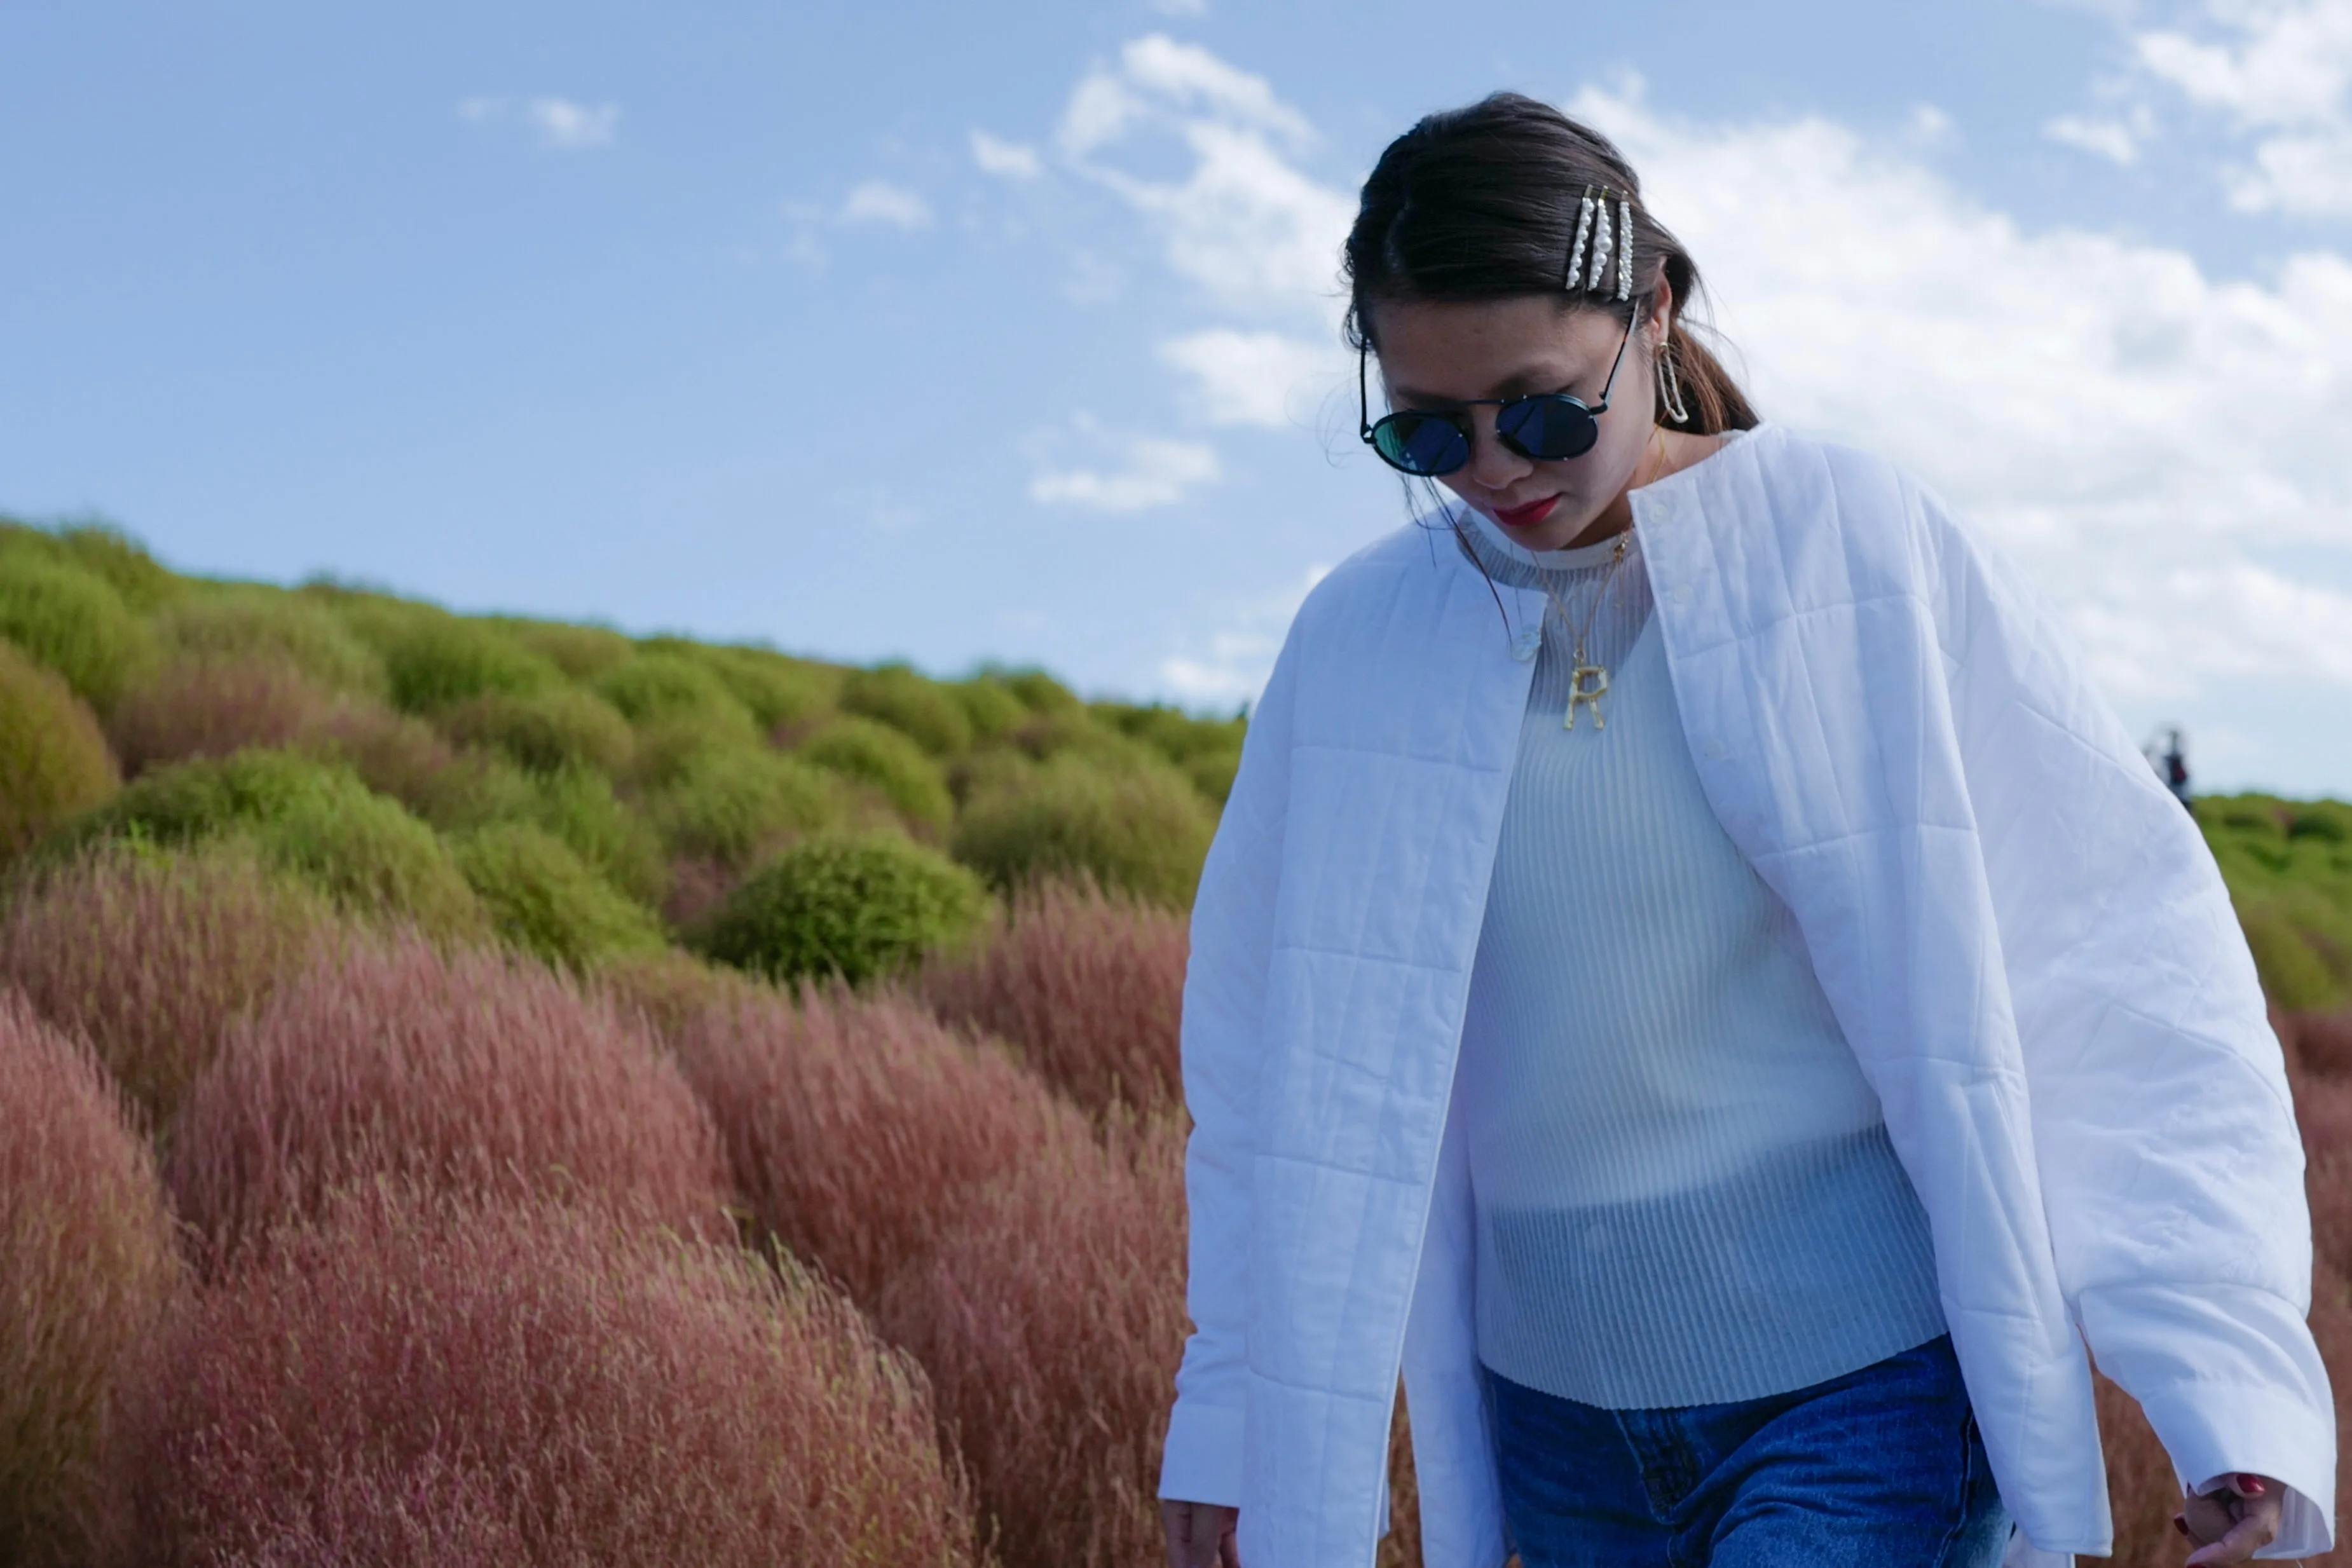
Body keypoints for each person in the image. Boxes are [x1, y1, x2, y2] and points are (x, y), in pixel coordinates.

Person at [1156, 95, 2332, 1568]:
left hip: (1865, 1400)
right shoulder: (1353, 646)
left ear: (1650, 312)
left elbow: (2112, 950)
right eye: (1422, 430)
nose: (1494, 469)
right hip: (1555, 1435)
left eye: (1539, 408)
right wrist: (1234, 1412)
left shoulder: (1851, 542)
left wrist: (2222, 1382)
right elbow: (1267, 1067)